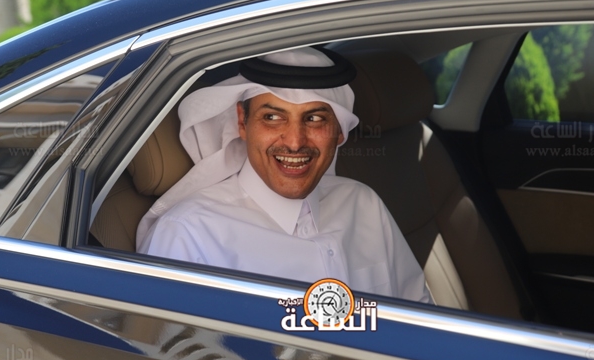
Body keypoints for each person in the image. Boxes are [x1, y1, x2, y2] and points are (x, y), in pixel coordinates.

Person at [136, 47, 431, 303]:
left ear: (339, 131)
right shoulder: (189, 235)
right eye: (273, 117)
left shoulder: (362, 203)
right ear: (243, 123)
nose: (294, 142)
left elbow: (417, 317)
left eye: (314, 118)